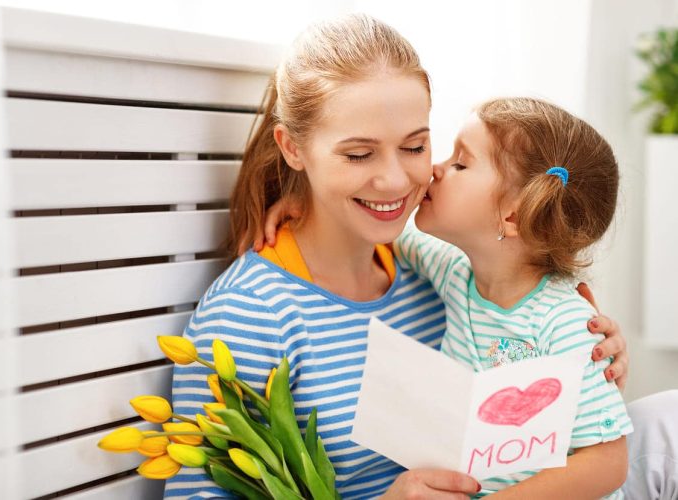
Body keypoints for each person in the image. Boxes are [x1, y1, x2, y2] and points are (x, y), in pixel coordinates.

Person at [165, 14, 628, 499]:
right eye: (358, 155)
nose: (396, 181)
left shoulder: (441, 272)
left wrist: (592, 359)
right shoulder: (252, 313)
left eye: (414, 146)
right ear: (293, 148)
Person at [393, 97, 630, 497]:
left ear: (514, 217)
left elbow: (609, 463)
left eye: (460, 164)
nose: (435, 169)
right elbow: (378, 227)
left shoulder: (565, 322)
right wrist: (301, 210)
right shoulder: (453, 271)